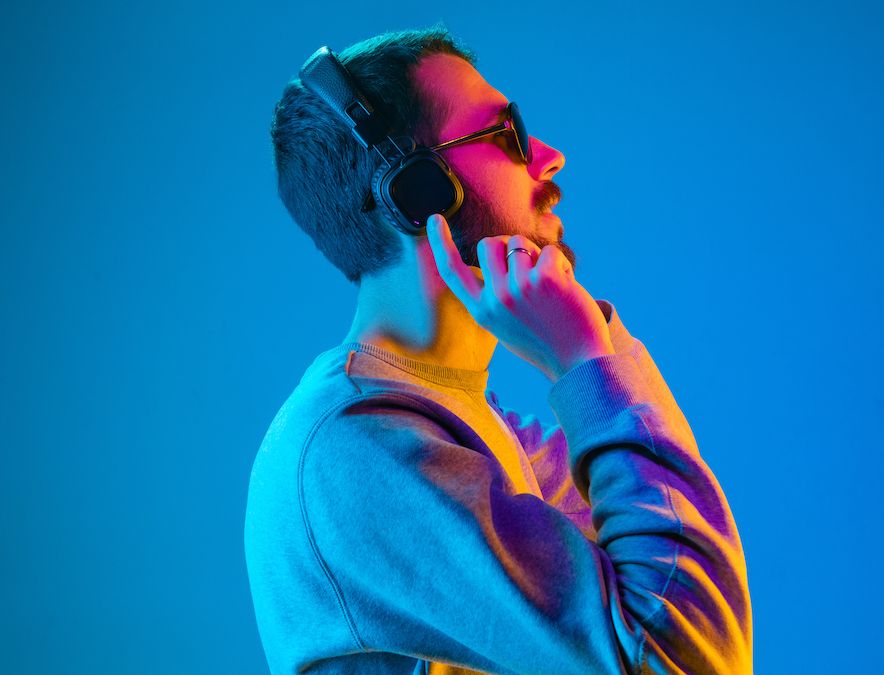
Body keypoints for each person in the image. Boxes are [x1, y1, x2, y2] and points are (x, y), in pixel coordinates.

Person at [244, 27, 753, 675]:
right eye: (507, 137)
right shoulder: (352, 448)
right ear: (417, 189)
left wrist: (596, 345)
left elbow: (681, 605)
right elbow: (684, 658)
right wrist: (583, 363)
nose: (551, 156)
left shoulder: (481, 435)